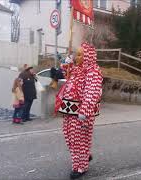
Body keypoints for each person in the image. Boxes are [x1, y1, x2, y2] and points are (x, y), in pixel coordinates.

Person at [55, 42, 103, 179]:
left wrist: (85, 111)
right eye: (77, 54)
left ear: (88, 56)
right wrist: (66, 62)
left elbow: (92, 92)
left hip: (81, 112)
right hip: (69, 110)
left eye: (80, 54)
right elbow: (65, 73)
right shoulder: (77, 69)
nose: (77, 57)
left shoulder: (93, 71)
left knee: (79, 140)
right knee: (69, 136)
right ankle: (84, 156)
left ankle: (80, 166)